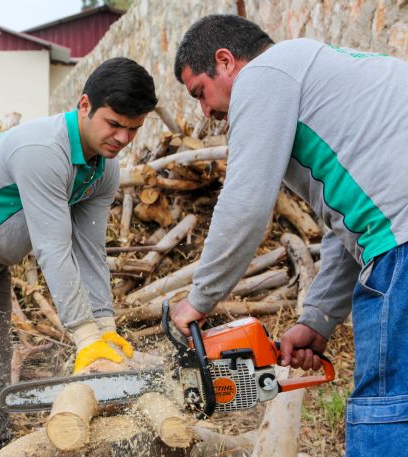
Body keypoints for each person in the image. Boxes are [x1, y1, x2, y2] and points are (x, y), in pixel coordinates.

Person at [168, 14, 408, 456]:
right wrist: (316, 320)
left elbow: (246, 203)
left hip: (403, 245)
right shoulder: (318, 80)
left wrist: (199, 301)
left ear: (226, 61)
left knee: (387, 406)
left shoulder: (264, 74)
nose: (206, 112)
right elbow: (346, 226)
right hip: (397, 234)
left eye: (200, 93)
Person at [0, 57, 157, 457]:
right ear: (84, 105)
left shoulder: (103, 170)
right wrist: (83, 336)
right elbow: (53, 248)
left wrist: (105, 328)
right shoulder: (44, 150)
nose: (122, 138)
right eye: (114, 123)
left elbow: (89, 250)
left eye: (133, 129)